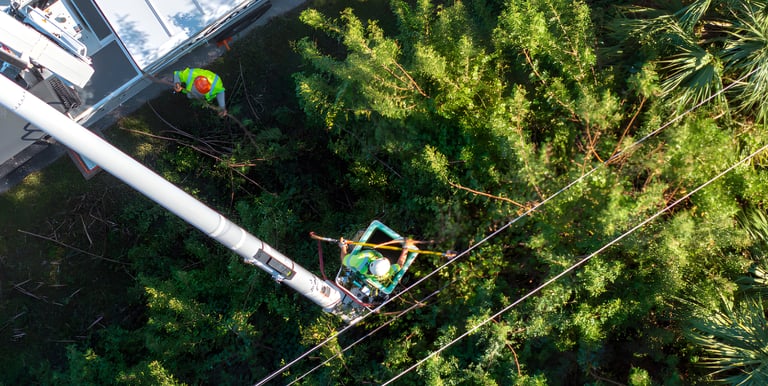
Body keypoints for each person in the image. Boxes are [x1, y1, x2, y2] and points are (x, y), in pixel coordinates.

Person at [340, 239, 413, 282]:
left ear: (376, 259)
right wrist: (405, 249)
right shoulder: (385, 274)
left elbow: (343, 259)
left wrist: (343, 246)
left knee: (359, 235)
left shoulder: (358, 260)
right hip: (373, 251)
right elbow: (400, 264)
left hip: (366, 250)